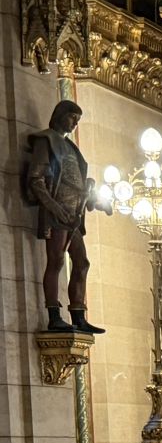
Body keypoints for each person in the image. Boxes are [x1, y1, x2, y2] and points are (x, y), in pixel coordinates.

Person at [24, 100, 103, 334]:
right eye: (72, 117)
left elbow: (75, 180)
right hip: (57, 213)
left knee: (82, 262)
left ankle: (78, 314)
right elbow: (36, 180)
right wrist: (54, 207)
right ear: (60, 115)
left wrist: (90, 195)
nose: (75, 123)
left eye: (78, 120)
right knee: (56, 261)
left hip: (74, 215)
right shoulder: (46, 140)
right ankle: (54, 315)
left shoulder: (70, 147)